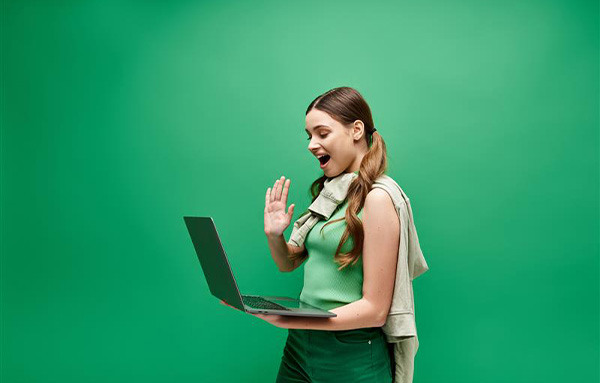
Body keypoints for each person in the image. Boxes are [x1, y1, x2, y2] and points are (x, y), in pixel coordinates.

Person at [224, 86, 399, 382]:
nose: (311, 144)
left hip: (350, 357)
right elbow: (287, 263)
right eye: (309, 136)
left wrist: (290, 317)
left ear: (356, 130)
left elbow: (375, 310)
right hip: (299, 348)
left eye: (322, 133)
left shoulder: (378, 198)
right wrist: (274, 235)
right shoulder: (332, 193)